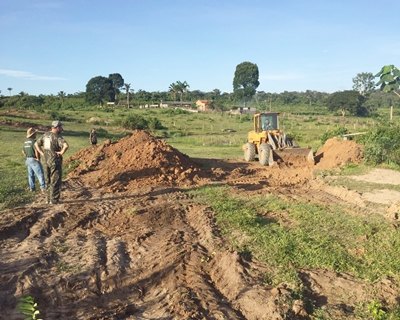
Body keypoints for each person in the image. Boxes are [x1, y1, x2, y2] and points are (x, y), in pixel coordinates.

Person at [35, 120, 69, 204]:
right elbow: (66, 146)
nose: (61, 128)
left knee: (47, 180)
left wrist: (42, 153)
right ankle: (54, 200)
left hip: (45, 161)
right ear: (57, 127)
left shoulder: (45, 135)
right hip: (55, 161)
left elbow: (36, 144)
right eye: (60, 127)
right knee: (55, 180)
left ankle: (47, 199)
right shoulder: (58, 137)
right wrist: (61, 153)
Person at [22, 127, 46, 193]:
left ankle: (32, 188)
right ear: (33, 134)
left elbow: (23, 151)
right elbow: (36, 151)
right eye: (35, 133)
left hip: (28, 159)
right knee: (40, 174)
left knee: (31, 175)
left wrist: (27, 156)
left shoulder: (25, 142)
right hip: (34, 159)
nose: (36, 134)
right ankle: (43, 188)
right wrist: (38, 158)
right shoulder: (34, 142)